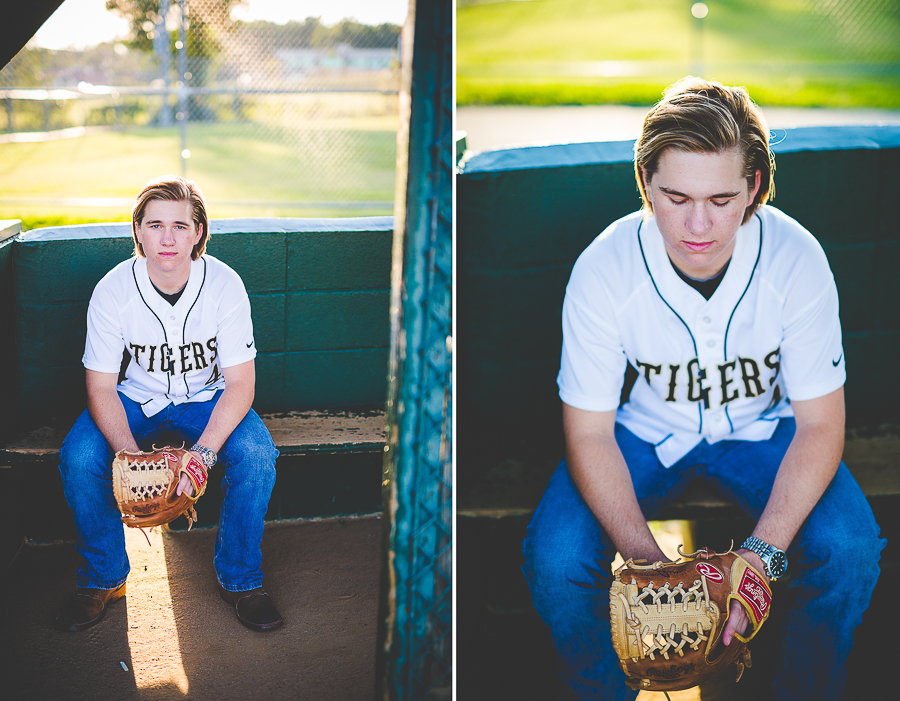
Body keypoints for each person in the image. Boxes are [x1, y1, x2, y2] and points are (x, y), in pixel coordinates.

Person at [522, 77, 885, 700]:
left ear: (755, 190)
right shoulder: (604, 267)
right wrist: (648, 564)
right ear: (645, 187)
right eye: (675, 196)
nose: (697, 224)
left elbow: (822, 424)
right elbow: (588, 432)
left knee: (848, 550)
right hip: (643, 434)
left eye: (721, 199)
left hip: (764, 432)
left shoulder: (796, 257)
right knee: (555, 559)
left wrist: (761, 559)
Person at [54, 175, 282, 633]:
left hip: (207, 397)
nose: (167, 237)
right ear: (137, 230)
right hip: (136, 398)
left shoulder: (224, 284)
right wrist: (129, 453)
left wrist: (202, 454)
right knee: (78, 458)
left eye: (180, 225)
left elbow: (241, 383)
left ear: (198, 232)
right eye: (155, 224)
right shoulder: (113, 289)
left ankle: (241, 580)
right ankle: (103, 576)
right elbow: (100, 387)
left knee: (257, 455)